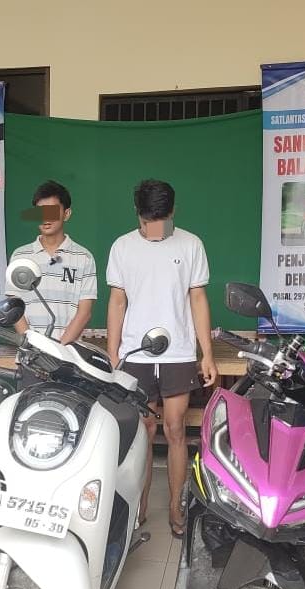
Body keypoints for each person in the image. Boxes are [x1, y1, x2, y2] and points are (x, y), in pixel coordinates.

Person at [107, 179, 216, 537]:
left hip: (178, 353)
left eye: (161, 223)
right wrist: (114, 352)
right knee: (142, 430)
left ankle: (175, 507)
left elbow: (197, 299)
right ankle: (137, 508)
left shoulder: (191, 244)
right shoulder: (122, 247)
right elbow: (117, 301)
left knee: (175, 429)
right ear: (137, 214)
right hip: (136, 353)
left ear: (173, 212)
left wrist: (207, 354)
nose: (154, 231)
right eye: (147, 223)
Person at [8, 180, 97, 344]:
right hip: (29, 353)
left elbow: (84, 313)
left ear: (67, 214)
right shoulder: (19, 256)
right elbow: (15, 307)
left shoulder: (84, 257)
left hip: (68, 353)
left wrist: (59, 350)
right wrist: (32, 346)